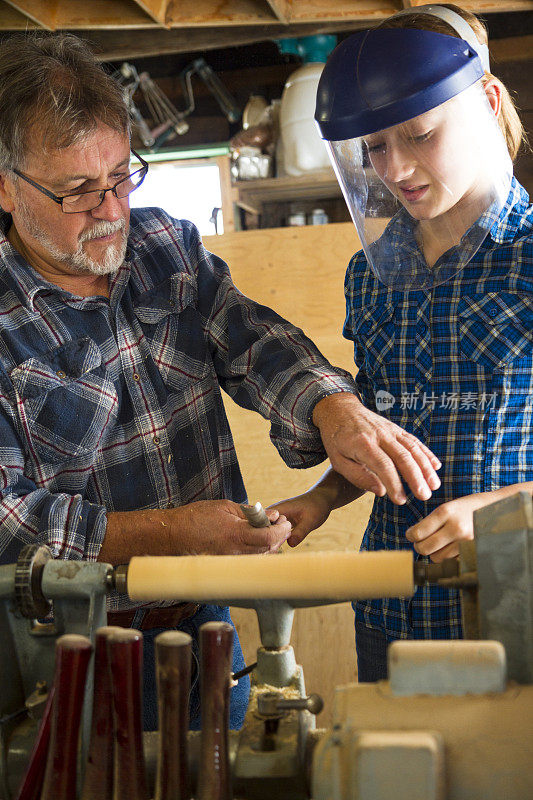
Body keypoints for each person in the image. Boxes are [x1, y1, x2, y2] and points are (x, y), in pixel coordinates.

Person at [0, 33, 441, 729]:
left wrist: (333, 408)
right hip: (70, 649)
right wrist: (170, 534)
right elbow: (9, 521)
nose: (111, 211)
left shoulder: (162, 248)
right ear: (5, 185)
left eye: (121, 176)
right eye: (78, 191)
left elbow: (252, 342)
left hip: (207, 622)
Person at [273, 4, 533, 681]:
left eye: (419, 135)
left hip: (512, 608)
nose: (395, 170)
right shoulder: (371, 274)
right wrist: (323, 498)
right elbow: (386, 429)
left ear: (486, 101)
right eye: (375, 149)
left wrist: (507, 512)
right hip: (391, 608)